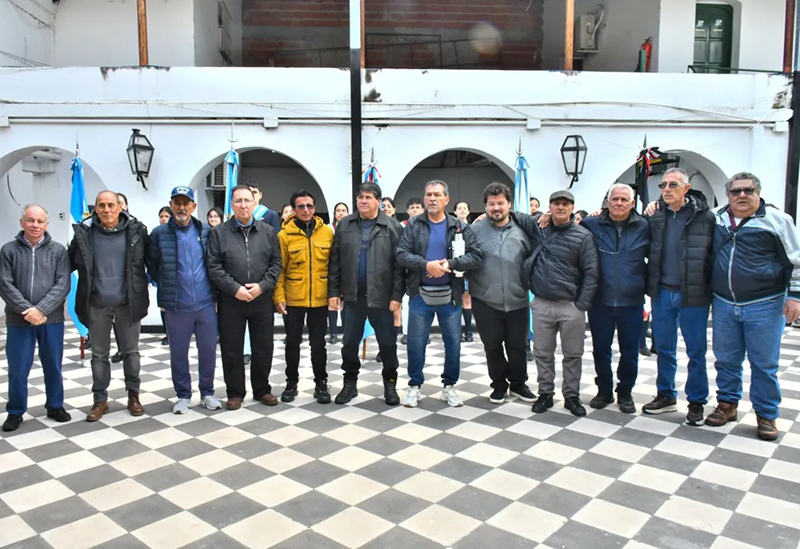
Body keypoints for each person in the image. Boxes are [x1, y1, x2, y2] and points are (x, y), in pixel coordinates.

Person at [706, 172, 800, 440]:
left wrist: (795, 296)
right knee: (726, 359)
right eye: (736, 192)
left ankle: (766, 414)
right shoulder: (717, 218)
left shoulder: (778, 221)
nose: (742, 196)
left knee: (764, 364)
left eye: (748, 191)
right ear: (728, 195)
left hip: (766, 304)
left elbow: (797, 260)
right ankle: (727, 405)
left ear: (758, 193)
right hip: (724, 303)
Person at [396, 180, 481, 408]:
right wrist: (426, 265)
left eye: (437, 195)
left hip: (450, 296)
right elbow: (401, 254)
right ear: (424, 199)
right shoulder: (413, 225)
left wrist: (450, 263)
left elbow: (475, 256)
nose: (432, 198)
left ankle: (449, 386)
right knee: (415, 343)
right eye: (428, 195)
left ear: (446, 200)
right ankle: (414, 386)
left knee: (453, 343)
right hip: (419, 295)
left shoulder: (459, 226)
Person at [642, 168, 715, 426]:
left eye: (673, 185)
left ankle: (696, 401)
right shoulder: (655, 216)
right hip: (662, 292)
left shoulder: (706, 218)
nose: (666, 190)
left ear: (686, 188)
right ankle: (666, 394)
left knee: (696, 351)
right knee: (663, 347)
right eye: (662, 185)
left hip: (693, 294)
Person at [69, 190, 150, 422]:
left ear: (120, 207)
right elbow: (67, 262)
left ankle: (133, 395)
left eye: (111, 205)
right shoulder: (84, 234)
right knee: (99, 355)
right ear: (95, 208)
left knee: (131, 352)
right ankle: (100, 400)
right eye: (101, 205)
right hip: (96, 304)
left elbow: (153, 261)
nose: (106, 210)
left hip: (128, 304)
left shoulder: (137, 232)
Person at [521, 190, 599, 417]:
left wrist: (580, 305)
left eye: (565, 204)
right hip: (542, 303)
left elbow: (591, 273)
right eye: (556, 204)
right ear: (550, 207)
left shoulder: (583, 236)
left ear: (572, 208)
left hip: (571, 306)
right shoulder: (540, 228)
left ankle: (571, 396)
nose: (561, 208)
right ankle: (545, 393)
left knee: (573, 354)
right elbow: (512, 215)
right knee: (542, 352)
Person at [328, 182, 405, 406]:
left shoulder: (392, 227)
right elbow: (335, 262)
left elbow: (399, 266)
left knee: (388, 344)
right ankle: (349, 383)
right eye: (361, 197)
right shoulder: (345, 225)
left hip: (382, 298)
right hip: (352, 298)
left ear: (378, 201)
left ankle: (390, 384)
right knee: (349, 344)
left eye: (369, 197)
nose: (363, 201)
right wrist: (334, 291)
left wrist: (396, 296)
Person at [147, 187, 221, 414]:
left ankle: (207, 393)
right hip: (177, 306)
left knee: (208, 350)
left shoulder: (207, 231)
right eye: (177, 203)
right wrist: (167, 288)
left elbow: (215, 263)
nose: (181, 207)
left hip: (206, 303)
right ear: (171, 205)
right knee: (178, 353)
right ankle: (183, 395)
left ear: (193, 207)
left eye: (186, 203)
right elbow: (152, 265)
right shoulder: (159, 234)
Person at [207, 185, 282, 410]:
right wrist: (235, 289)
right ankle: (235, 392)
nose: (243, 205)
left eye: (247, 200)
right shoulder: (219, 233)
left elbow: (276, 264)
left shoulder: (268, 232)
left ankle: (262, 389)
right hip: (232, 300)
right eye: (238, 201)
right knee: (232, 348)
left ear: (254, 203)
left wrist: (261, 287)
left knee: (263, 347)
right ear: (231, 205)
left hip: (261, 299)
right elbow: (214, 266)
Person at [0, 205, 72, 432]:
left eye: (40, 221)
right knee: (18, 368)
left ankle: (55, 405)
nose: (35, 225)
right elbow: (4, 283)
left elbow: (63, 284)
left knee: (53, 365)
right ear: (22, 222)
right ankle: (15, 411)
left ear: (46, 225)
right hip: (18, 320)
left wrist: (41, 310)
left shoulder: (58, 251)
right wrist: (27, 310)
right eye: (30, 220)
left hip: (50, 321)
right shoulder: (8, 250)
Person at [581, 184, 650, 414]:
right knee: (601, 349)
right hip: (601, 300)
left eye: (624, 199)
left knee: (629, 351)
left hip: (632, 300)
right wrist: (548, 215)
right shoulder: (591, 224)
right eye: (615, 199)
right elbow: (565, 228)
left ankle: (625, 391)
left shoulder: (644, 226)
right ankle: (604, 390)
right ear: (607, 202)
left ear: (632, 203)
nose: (619, 203)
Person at [468, 184, 535, 404]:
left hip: (518, 299)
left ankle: (518, 384)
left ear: (510, 205)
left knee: (518, 345)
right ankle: (498, 385)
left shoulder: (523, 229)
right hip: (486, 300)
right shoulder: (475, 231)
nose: (496, 208)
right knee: (492, 346)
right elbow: (466, 260)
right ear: (485, 206)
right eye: (491, 204)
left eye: (500, 203)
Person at [274, 190, 335, 404]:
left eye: (309, 205)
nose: (306, 210)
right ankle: (291, 383)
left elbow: (334, 267)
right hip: (293, 299)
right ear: (294, 209)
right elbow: (279, 269)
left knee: (318, 343)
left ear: (315, 207)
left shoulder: (327, 232)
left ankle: (321, 383)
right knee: (292, 343)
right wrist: (279, 297)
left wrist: (335, 294)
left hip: (320, 298)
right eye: (301, 206)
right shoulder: (284, 234)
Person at [328, 202, 349, 344]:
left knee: (345, 303)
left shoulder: (351, 228)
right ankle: (333, 333)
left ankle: (347, 331)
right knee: (333, 302)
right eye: (338, 210)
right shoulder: (328, 229)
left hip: (347, 270)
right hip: (331, 268)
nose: (340, 213)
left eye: (343, 210)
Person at [454, 201, 474, 342]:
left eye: (464, 208)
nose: (462, 210)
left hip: (468, 269)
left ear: (468, 211)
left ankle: (468, 331)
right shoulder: (451, 227)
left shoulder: (473, 228)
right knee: (456, 299)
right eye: (459, 208)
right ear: (454, 212)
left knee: (467, 298)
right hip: (453, 268)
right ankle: (457, 331)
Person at [156, 206, 172, 345]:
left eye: (166, 216)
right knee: (163, 307)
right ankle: (167, 333)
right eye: (161, 217)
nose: (163, 219)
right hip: (162, 277)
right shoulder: (156, 234)